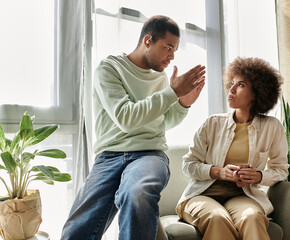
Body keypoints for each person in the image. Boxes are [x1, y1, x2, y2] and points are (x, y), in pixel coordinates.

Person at [61, 15, 206, 240]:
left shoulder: (160, 77)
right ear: (148, 40)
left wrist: (183, 103)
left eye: (175, 50)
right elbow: (126, 117)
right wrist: (172, 93)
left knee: (137, 193)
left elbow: (163, 121)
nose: (172, 55)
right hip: (109, 156)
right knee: (76, 231)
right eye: (168, 47)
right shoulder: (109, 69)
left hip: (149, 155)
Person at [176, 57, 289, 240]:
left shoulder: (272, 127)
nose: (232, 89)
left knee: (252, 217)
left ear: (257, 93)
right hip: (202, 194)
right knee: (217, 218)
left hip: (243, 195)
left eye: (241, 84)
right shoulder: (212, 123)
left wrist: (259, 176)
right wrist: (218, 172)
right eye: (232, 83)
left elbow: (281, 169)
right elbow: (188, 165)